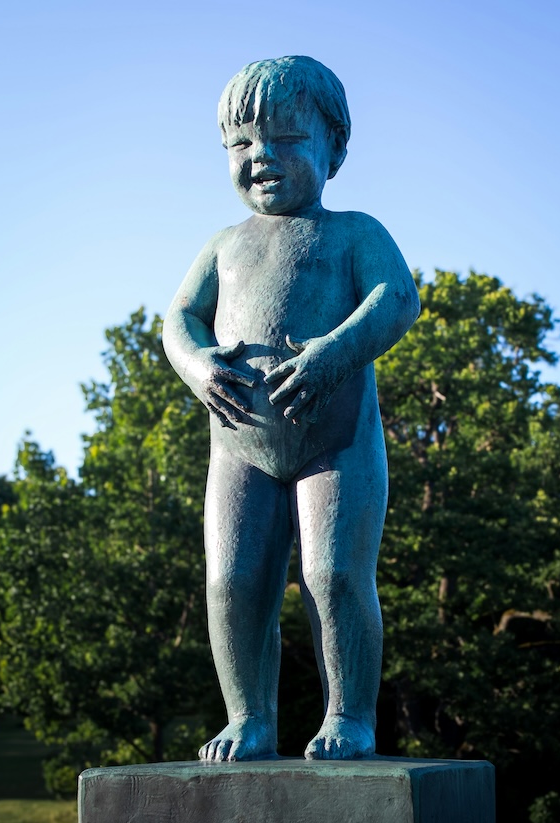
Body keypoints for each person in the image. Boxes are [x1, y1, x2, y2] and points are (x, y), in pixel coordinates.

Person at [162, 56, 420, 761]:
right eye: (241, 144)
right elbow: (178, 317)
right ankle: (248, 717)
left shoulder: (353, 232)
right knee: (232, 580)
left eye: (285, 139)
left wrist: (334, 352)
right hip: (238, 445)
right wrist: (195, 362)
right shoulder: (223, 245)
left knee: (334, 574)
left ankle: (351, 713)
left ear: (334, 146)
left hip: (336, 445)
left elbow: (396, 299)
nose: (261, 157)